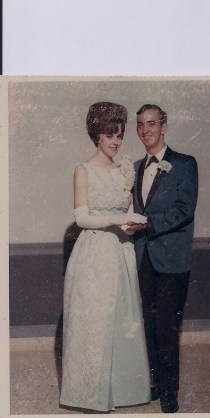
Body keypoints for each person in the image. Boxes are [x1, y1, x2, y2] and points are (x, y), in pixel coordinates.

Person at [60, 102, 150, 413]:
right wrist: (113, 221)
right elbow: (82, 218)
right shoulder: (83, 170)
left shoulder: (125, 169)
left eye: (120, 135)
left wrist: (131, 222)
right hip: (94, 252)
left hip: (120, 251)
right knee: (94, 321)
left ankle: (122, 393)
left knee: (120, 320)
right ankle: (89, 395)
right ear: (97, 135)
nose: (115, 141)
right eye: (110, 135)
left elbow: (126, 212)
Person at [127, 104, 198, 413]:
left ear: (164, 126)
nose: (146, 129)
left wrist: (148, 225)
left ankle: (170, 394)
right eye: (141, 124)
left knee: (168, 329)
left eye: (152, 123)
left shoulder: (184, 163)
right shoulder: (134, 168)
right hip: (143, 259)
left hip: (172, 262)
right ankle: (155, 385)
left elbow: (185, 209)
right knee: (149, 326)